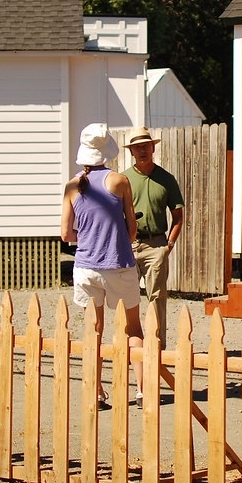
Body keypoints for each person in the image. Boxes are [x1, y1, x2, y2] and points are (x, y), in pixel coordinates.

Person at [60, 122, 144, 409]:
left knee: (93, 329)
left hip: (86, 265)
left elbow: (65, 234)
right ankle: (142, 390)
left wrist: (86, 237)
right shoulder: (119, 181)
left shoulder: (71, 186)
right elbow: (131, 228)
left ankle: (96, 392)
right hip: (117, 262)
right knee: (133, 328)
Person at [121, 126, 184, 349]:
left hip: (156, 244)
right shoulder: (123, 179)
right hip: (128, 245)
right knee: (126, 297)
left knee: (157, 298)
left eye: (146, 146)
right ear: (131, 152)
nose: (142, 151)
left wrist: (169, 245)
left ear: (153, 149)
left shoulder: (166, 179)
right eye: (137, 148)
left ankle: (157, 347)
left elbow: (178, 216)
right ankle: (130, 346)